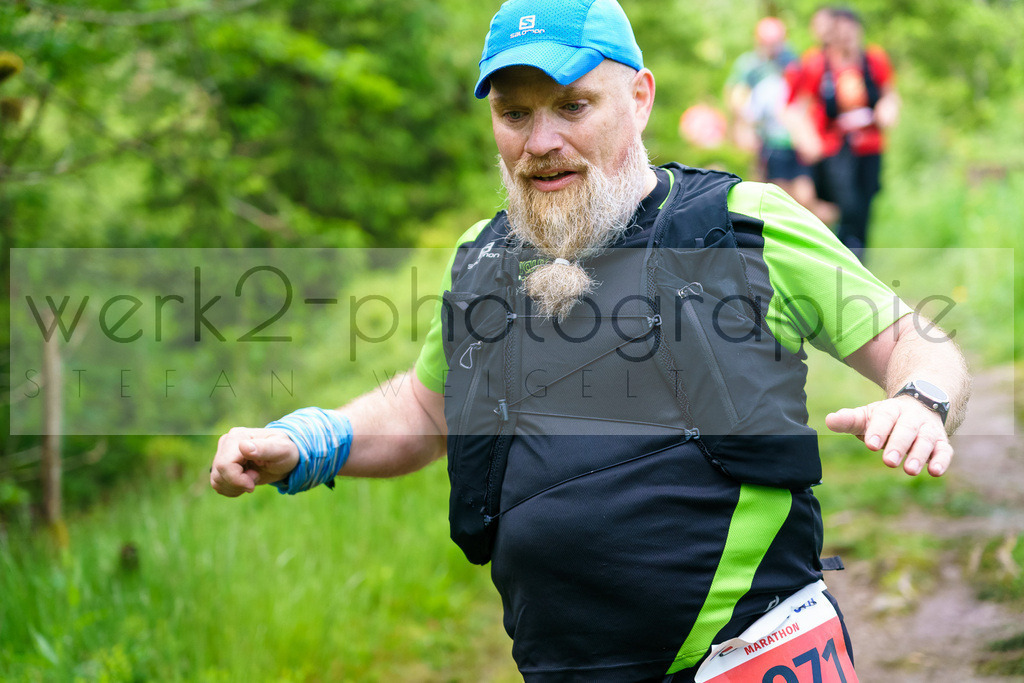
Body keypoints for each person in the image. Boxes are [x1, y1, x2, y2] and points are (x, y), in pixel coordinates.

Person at [210, 1, 968, 680]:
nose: (541, 141)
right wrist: (307, 443)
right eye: (514, 114)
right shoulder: (481, 259)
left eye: (573, 106)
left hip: (753, 653)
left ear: (639, 98)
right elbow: (426, 409)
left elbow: (917, 342)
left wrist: (920, 400)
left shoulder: (743, 225)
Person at [787, 7, 901, 259]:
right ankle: (843, 252)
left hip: (870, 145)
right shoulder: (817, 64)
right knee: (844, 202)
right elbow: (798, 106)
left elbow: (889, 94)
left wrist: (887, 110)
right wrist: (806, 137)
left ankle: (857, 255)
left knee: (866, 201)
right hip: (834, 147)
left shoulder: (874, 61)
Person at [724, 18, 819, 212]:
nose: (772, 47)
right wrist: (744, 128)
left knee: (804, 194)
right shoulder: (749, 65)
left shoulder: (792, 60)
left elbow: (804, 98)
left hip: (792, 135)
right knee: (774, 192)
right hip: (766, 138)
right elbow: (736, 97)